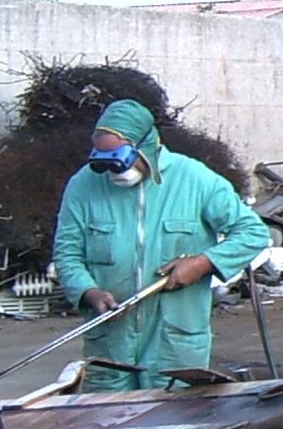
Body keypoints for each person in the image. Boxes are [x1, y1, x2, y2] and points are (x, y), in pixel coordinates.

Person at [52, 98, 271, 391]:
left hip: (175, 345)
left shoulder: (195, 179)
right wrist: (88, 291)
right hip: (111, 344)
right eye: (105, 164)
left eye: (121, 161)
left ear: (147, 146)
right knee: (107, 425)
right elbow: (67, 252)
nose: (115, 173)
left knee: (177, 421)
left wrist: (201, 264)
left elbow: (253, 232)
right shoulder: (83, 186)